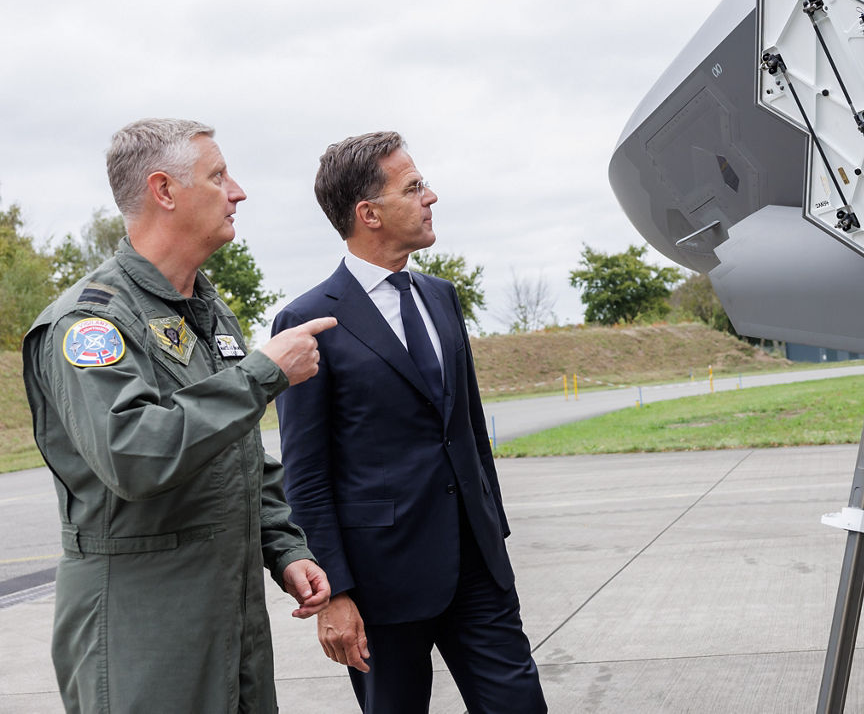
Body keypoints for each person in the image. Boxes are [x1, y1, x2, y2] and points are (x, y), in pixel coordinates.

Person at [22, 118, 338, 713]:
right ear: (164, 191)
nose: (238, 192)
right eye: (218, 176)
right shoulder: (91, 323)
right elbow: (133, 454)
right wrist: (262, 374)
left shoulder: (207, 310)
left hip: (231, 623)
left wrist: (285, 547)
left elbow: (238, 455)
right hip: (142, 631)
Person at [272, 131, 546, 713]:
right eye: (414, 187)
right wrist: (335, 593)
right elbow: (306, 473)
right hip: (380, 584)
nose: (431, 197)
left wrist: (493, 532)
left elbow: (468, 428)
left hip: (477, 567)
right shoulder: (308, 320)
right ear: (368, 213)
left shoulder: (441, 297)